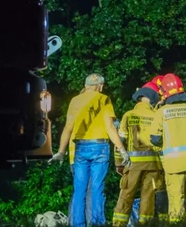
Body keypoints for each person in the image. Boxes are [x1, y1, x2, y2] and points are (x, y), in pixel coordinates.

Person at [48, 73, 130, 227]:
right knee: (96, 188)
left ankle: (77, 224)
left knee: (79, 189)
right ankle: (97, 223)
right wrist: (122, 149)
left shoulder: (75, 101)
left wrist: (60, 151)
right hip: (99, 147)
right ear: (100, 86)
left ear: (85, 86)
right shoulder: (103, 99)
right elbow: (111, 128)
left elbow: (67, 128)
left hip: (80, 148)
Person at [150, 73, 186, 223]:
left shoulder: (161, 112)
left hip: (172, 164)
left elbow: (155, 139)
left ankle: (176, 223)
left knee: (176, 197)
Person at [112, 76, 167, 226]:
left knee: (126, 195)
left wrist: (118, 163)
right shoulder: (157, 115)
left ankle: (118, 224)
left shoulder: (129, 115)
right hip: (153, 166)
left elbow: (120, 142)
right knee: (148, 198)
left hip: (132, 165)